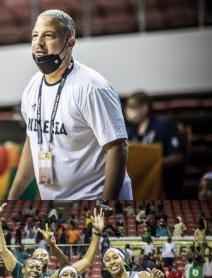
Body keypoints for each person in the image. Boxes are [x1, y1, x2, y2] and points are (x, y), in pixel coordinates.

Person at [7, 9, 132, 200]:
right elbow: (33, 140)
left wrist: (107, 205)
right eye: (35, 35)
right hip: (58, 204)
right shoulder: (33, 85)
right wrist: (12, 197)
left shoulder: (91, 87)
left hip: (93, 200)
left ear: (70, 43)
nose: (39, 43)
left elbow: (117, 147)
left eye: (49, 35)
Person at [124, 91, 184, 198]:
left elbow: (177, 157)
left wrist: (152, 166)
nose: (127, 110)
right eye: (127, 107)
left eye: (132, 106)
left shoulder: (163, 124)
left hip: (161, 182)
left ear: (145, 107)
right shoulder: (132, 129)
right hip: (138, 179)